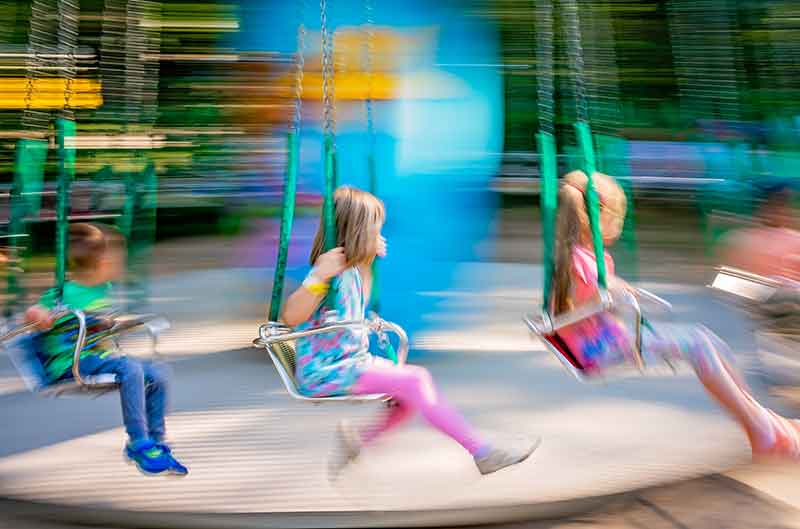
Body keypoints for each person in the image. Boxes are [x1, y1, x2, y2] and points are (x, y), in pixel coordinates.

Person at [280, 186, 538, 478]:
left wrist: (367, 261)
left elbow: (351, 310)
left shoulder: (353, 271)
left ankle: (357, 443)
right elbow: (292, 316)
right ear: (356, 233)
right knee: (417, 380)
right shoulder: (329, 273)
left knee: (407, 398)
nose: (381, 236)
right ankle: (482, 452)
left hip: (348, 363)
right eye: (375, 230)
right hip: (327, 371)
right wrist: (318, 276)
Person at [552, 170, 800, 460]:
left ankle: (762, 422)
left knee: (708, 342)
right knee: (700, 346)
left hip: (606, 338)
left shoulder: (581, 255)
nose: (619, 226)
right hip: (599, 347)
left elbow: (596, 294)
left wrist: (617, 291)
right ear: (599, 218)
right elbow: (600, 295)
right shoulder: (582, 261)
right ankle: (762, 430)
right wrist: (619, 291)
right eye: (617, 218)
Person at [24, 223, 188, 476]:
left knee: (158, 373)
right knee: (131, 368)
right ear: (101, 263)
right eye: (117, 259)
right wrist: (38, 314)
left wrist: (107, 323)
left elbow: (97, 323)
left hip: (99, 357)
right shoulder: (63, 292)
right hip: (71, 363)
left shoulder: (104, 289)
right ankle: (137, 441)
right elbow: (34, 313)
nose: (122, 264)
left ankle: (156, 440)